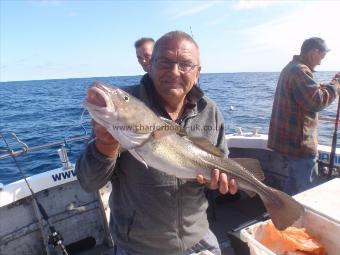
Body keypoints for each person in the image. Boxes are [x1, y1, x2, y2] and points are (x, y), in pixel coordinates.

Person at [76, 31, 237, 255]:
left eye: (185, 64)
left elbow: (222, 162)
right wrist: (105, 146)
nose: (174, 72)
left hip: (198, 237)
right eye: (165, 62)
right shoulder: (122, 112)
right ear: (150, 65)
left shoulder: (209, 111)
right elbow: (89, 182)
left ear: (198, 72)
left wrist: (217, 184)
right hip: (139, 247)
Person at [268, 37, 340, 195]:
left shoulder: (291, 68)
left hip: (289, 144)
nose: (321, 62)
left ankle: (286, 216)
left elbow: (308, 93)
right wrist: (337, 84)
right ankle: (301, 218)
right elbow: (316, 101)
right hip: (299, 145)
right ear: (314, 52)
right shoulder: (300, 71)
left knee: (293, 187)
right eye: (321, 57)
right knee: (307, 193)